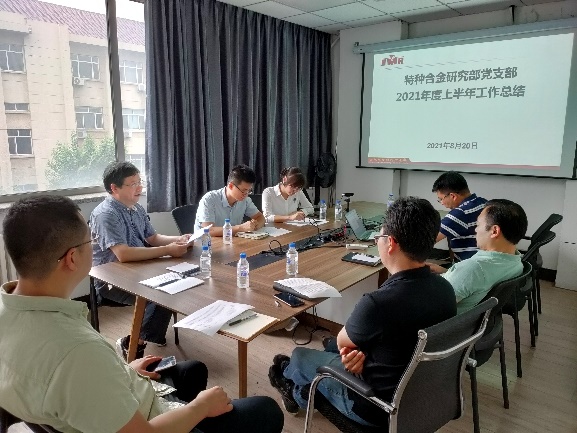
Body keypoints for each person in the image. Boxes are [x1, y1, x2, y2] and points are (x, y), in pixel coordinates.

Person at [0, 195, 284, 433]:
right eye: (90, 242)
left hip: (119, 398)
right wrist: (200, 408)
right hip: (149, 419)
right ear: (72, 258)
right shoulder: (78, 353)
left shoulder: (10, 313)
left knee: (194, 369)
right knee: (266, 410)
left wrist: (123, 373)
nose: (94, 246)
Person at [268, 197, 456, 425]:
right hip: (421, 393)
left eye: (379, 237)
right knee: (335, 348)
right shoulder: (446, 289)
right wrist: (359, 353)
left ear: (391, 243)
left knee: (299, 358)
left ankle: (294, 390)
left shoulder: (378, 304)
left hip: (375, 404)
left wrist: (356, 355)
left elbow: (343, 342)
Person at [90, 162, 191, 358]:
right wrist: (168, 250)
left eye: (140, 182)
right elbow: (123, 254)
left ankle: (149, 332)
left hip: (138, 268)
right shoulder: (105, 214)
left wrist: (179, 239)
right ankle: (133, 343)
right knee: (160, 293)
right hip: (112, 278)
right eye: (133, 184)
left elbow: (152, 238)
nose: (140, 188)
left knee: (177, 280)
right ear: (114, 188)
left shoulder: (135, 208)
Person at [428, 199, 528, 314]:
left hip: (442, 322)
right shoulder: (515, 260)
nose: (475, 229)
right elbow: (476, 283)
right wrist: (448, 272)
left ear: (494, 231)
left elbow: (431, 306)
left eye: (478, 224)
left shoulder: (474, 269)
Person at [195, 164, 266, 236]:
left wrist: (254, 226)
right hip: (206, 242)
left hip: (232, 241)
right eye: (243, 191)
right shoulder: (209, 199)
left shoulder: (246, 200)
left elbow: (261, 217)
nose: (246, 194)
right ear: (231, 186)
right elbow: (208, 230)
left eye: (249, 191)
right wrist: (240, 228)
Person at [432, 171, 488, 261]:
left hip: (468, 265)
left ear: (453, 196)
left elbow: (428, 240)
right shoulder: (483, 202)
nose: (441, 203)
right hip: (486, 261)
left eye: (441, 199)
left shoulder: (459, 214)